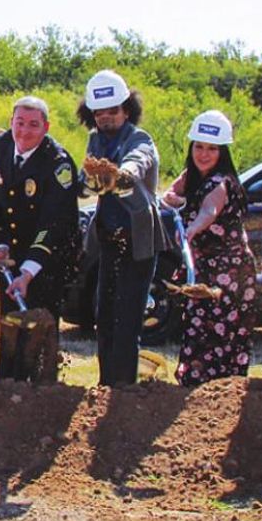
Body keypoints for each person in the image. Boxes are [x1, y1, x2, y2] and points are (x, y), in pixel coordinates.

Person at [78, 70, 170, 386]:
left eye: (112, 111)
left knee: (129, 318)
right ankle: (106, 385)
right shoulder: (94, 139)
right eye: (99, 112)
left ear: (126, 109)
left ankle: (125, 390)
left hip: (137, 237)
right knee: (104, 316)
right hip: (107, 237)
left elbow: (138, 162)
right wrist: (90, 182)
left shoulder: (140, 138)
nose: (105, 118)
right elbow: (85, 183)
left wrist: (120, 173)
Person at [0, 95, 80, 379]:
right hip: (9, 255)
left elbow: (54, 222)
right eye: (19, 123)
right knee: (10, 324)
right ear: (11, 122)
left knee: (39, 329)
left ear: (46, 127)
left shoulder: (58, 163)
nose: (24, 131)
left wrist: (28, 271)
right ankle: (7, 387)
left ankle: (39, 393)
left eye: (33, 125)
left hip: (47, 258)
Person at [162, 110, 256, 386]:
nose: (204, 154)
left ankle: (220, 395)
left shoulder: (221, 183)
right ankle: (194, 392)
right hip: (204, 270)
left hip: (230, 274)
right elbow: (170, 194)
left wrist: (191, 229)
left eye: (212, 149)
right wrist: (175, 201)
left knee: (221, 337)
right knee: (197, 332)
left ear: (222, 151)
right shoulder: (191, 175)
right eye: (199, 147)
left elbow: (209, 211)